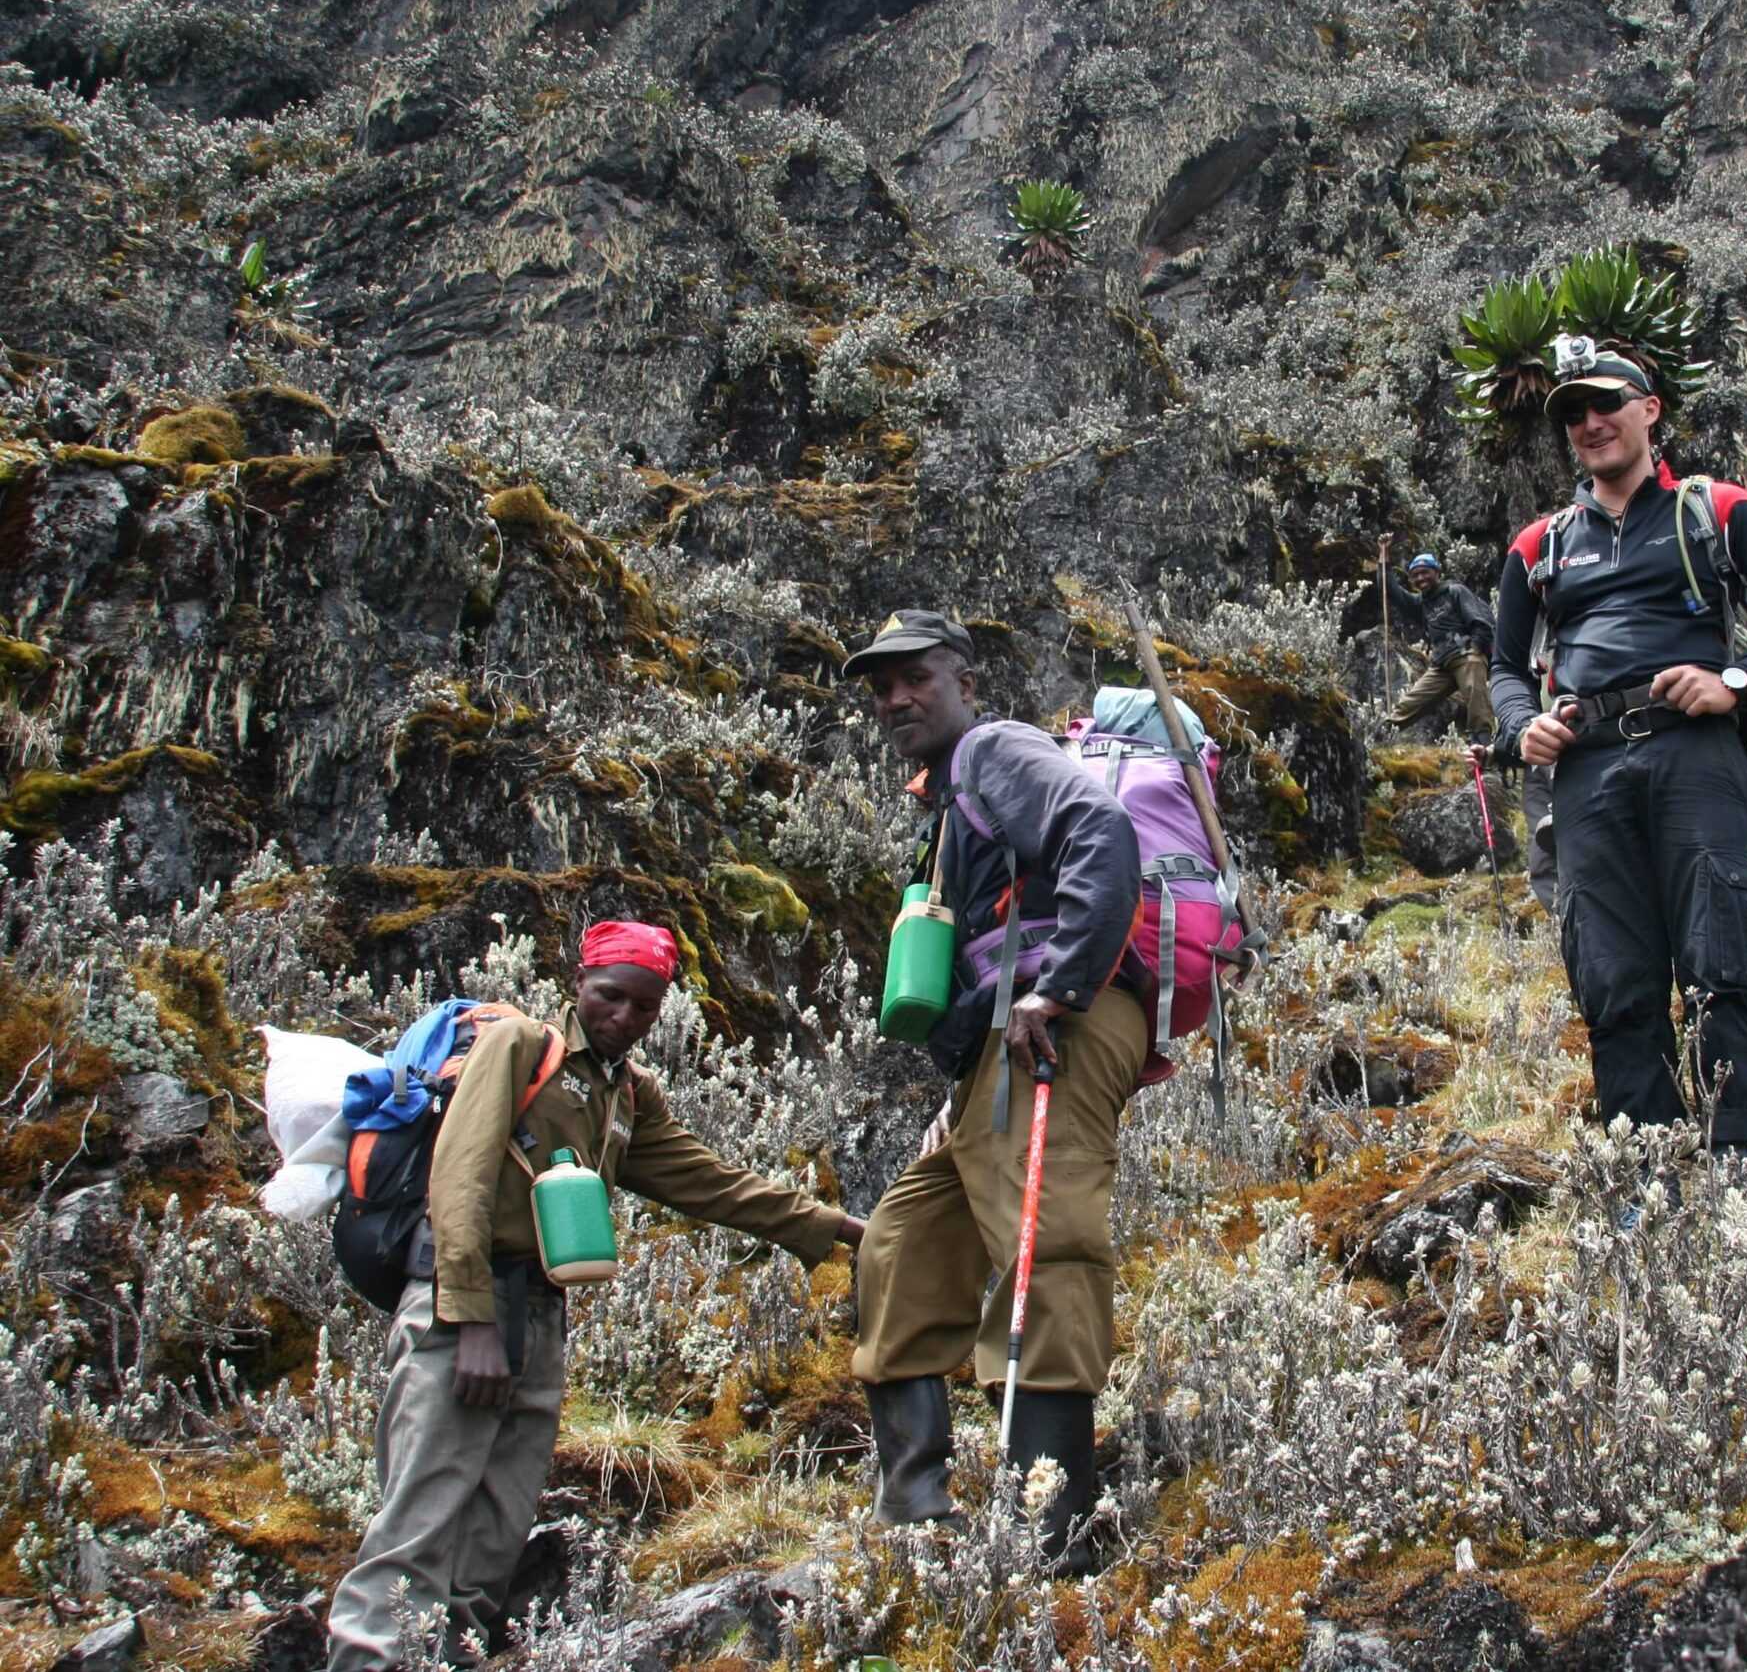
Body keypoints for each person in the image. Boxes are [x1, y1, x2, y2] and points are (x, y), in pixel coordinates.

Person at [326, 922, 861, 1671]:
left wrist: (836, 1228)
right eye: (612, 995)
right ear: (578, 982)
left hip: (542, 1315)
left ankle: (453, 1655)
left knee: (498, 1521)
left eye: (646, 1006)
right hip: (465, 1306)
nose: (625, 1017)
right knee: (421, 1514)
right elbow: (461, 1175)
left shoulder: (629, 1094)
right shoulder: (518, 1048)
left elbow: (710, 1183)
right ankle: (368, 1660)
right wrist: (470, 1315)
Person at [844, 608, 1150, 1574]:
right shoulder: (947, 800)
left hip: (1066, 1019)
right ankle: (918, 1511)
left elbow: (1100, 829)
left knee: (1044, 1239)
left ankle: (1059, 1530)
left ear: (965, 682)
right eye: (881, 685)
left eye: (917, 677)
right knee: (899, 1243)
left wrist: (1060, 982)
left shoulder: (994, 749)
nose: (896, 697)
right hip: (1000, 1050)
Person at [1489, 344, 1747, 1155]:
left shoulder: (1715, 511)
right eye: (1573, 413)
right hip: (1585, 767)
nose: (1589, 422)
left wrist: (1738, 683)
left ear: (1651, 410)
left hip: (1697, 753)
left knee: (1721, 954)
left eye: (1606, 402)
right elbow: (1506, 666)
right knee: (1611, 975)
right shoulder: (1539, 545)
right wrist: (1518, 730)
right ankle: (1647, 1177)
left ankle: (1745, 1161)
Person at [1378, 544, 1496, 736]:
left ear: (1436, 572)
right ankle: (1382, 734)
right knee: (1412, 702)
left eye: (1425, 572)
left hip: (1467, 655)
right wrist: (1384, 558)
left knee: (1476, 698)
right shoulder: (1420, 603)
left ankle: (1482, 744)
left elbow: (1480, 621)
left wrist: (1475, 648)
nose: (1420, 578)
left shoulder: (1455, 591)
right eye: (1415, 575)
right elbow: (1391, 590)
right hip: (1442, 663)